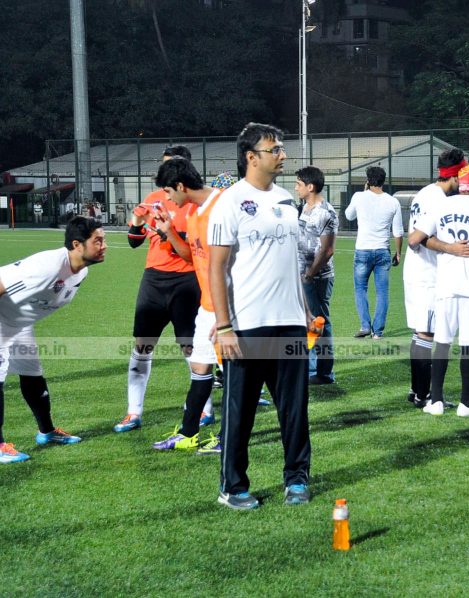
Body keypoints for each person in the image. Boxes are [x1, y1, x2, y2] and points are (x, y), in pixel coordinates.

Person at [209, 122, 313, 510]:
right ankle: (232, 487)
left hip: (289, 322)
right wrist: (223, 326)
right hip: (247, 325)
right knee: (240, 413)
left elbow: (289, 262)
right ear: (251, 157)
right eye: (275, 149)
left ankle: (297, 480)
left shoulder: (288, 198)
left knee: (294, 409)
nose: (282, 155)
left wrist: (304, 309)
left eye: (281, 148)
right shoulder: (230, 201)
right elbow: (216, 268)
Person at [0, 217, 105, 463]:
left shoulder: (82, 271)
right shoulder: (47, 266)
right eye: (98, 241)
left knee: (32, 372)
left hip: (16, 319)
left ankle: (47, 432)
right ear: (77, 244)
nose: (104, 246)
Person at [114, 145, 201, 433]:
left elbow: (192, 252)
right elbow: (133, 241)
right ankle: (133, 412)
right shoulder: (153, 199)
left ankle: (203, 410)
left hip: (187, 281)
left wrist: (170, 232)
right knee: (143, 344)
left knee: (190, 347)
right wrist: (137, 222)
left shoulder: (197, 205)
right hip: (153, 280)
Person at [409, 164, 469, 417]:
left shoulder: (441, 206)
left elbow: (415, 239)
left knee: (442, 341)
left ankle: (436, 401)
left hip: (446, 284)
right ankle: (466, 403)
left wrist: (447, 247)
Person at [149, 157, 225, 454]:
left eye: (168, 192)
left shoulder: (222, 208)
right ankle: (188, 433)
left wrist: (226, 316)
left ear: (180, 186)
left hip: (227, 309)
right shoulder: (194, 212)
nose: (167, 199)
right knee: (199, 367)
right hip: (207, 306)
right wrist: (168, 232)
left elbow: (236, 266)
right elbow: (192, 257)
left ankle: (227, 437)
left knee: (233, 374)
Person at [402, 148, 469, 409]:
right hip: (426, 275)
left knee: (421, 332)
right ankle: (423, 395)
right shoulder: (437, 199)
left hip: (420, 273)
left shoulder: (427, 193)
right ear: (453, 176)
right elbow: (416, 239)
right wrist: (452, 248)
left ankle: (416, 389)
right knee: (426, 333)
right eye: (461, 176)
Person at [344, 166, 404, 339]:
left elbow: (349, 216)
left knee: (360, 289)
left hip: (363, 250)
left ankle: (365, 326)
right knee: (382, 292)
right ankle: (377, 331)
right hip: (383, 251)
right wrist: (398, 253)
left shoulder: (359, 197)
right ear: (384, 180)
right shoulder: (393, 201)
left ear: (368, 181)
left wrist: (362, 193)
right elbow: (398, 231)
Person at [295, 165, 338, 385]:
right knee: (309, 320)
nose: (296, 188)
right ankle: (314, 368)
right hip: (305, 274)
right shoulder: (305, 207)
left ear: (310, 187)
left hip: (317, 277)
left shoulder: (325, 212)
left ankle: (323, 372)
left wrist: (310, 274)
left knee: (319, 321)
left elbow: (327, 250)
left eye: (299, 184)